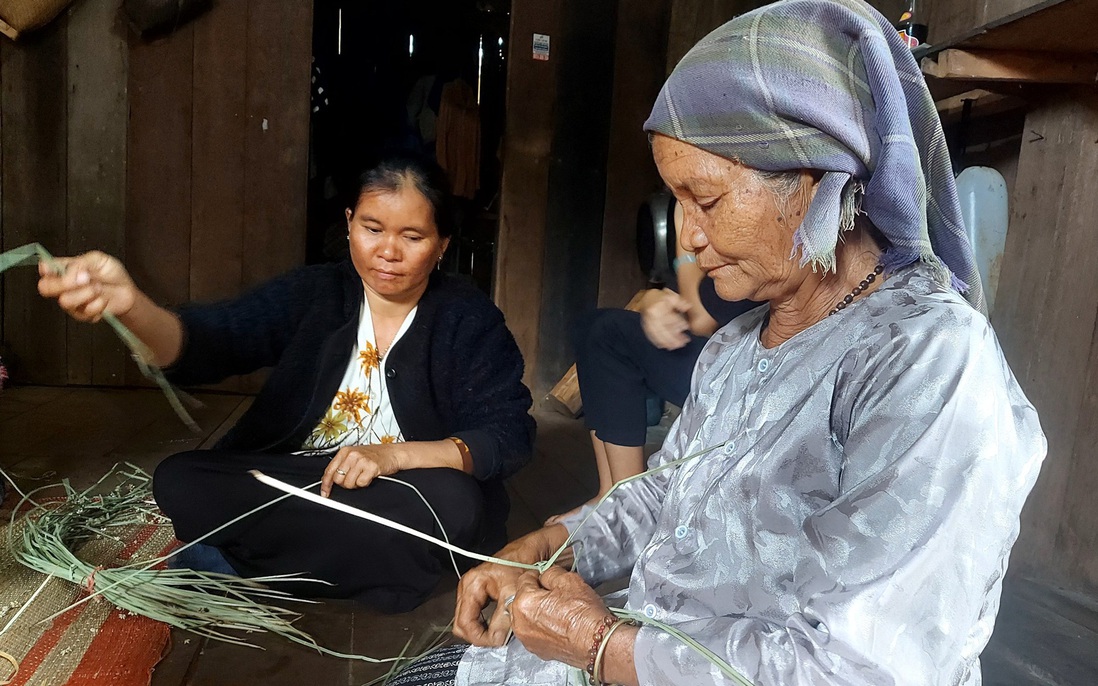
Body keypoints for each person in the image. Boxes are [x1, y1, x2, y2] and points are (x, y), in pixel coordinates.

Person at [388, 0, 1046, 683]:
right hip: (657, 645)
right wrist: (552, 544)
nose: (690, 236)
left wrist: (598, 645)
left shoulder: (928, 363)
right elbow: (671, 494)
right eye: (677, 199)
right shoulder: (738, 345)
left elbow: (859, 667)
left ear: (814, 181)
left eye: (705, 199)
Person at [38, 153, 535, 613]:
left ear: (443, 244)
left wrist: (395, 457)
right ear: (348, 224)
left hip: (405, 491)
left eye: (412, 236)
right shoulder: (315, 293)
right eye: (372, 228)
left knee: (458, 504)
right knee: (181, 480)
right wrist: (132, 307)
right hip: (300, 480)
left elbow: (508, 435)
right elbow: (214, 341)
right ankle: (381, 575)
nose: (387, 251)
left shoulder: (468, 319)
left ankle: (244, 566)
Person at [548, 203, 756, 525]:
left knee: (609, 335)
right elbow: (678, 302)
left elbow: (700, 319)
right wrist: (653, 300)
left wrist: (684, 249)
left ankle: (627, 499)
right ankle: (612, 491)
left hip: (746, 373)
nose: (692, 228)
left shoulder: (748, 233)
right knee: (593, 327)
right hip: (719, 354)